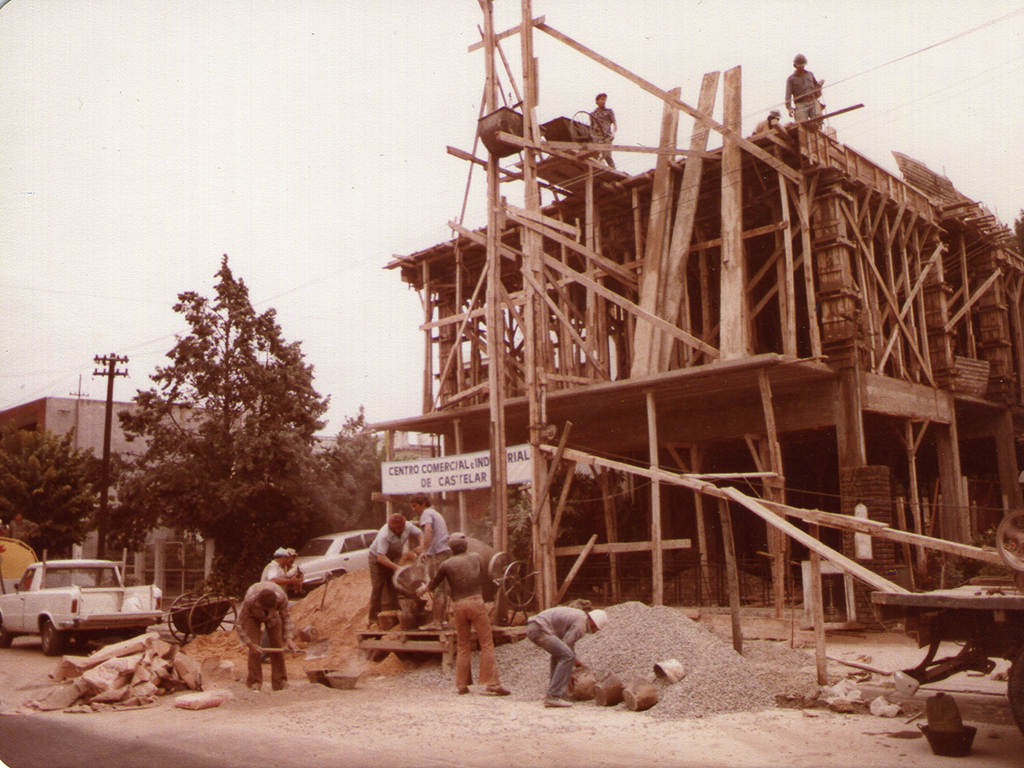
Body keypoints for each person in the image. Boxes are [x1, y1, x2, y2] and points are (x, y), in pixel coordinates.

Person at [416, 532, 510, 696]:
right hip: (475, 602)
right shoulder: (476, 557)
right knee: (486, 643)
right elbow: (480, 573)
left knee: (462, 645)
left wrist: (423, 589)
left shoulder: (446, 564)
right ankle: (492, 684)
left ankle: (461, 685)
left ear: (450, 549)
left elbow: (434, 584)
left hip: (458, 606)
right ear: (465, 546)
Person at [526, 605, 609, 707]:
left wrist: (576, 664)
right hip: (539, 629)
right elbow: (567, 645)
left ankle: (555, 692)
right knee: (567, 656)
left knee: (560, 654)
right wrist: (568, 672)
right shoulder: (581, 625)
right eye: (596, 629)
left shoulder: (580, 617)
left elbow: (566, 646)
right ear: (594, 623)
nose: (595, 632)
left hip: (534, 627)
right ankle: (553, 696)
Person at [236, 581, 297, 692]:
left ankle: (280, 681)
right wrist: (250, 644)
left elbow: (286, 618)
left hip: (273, 617)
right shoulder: (250, 600)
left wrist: (289, 639)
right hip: (252, 615)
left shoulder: (281, 598)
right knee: (254, 649)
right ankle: (255, 682)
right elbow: (239, 624)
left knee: (277, 645)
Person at [367, 513, 422, 627]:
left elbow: (420, 533)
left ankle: (396, 611)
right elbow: (381, 557)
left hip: (392, 556)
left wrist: (422, 546)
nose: (399, 530)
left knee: (394, 584)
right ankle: (373, 617)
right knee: (378, 586)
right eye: (396, 528)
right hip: (378, 559)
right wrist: (397, 568)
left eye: (401, 527)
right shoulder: (384, 535)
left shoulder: (407, 525)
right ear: (391, 527)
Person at [410, 494, 451, 628]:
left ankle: (435, 622)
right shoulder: (434, 512)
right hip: (445, 552)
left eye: (415, 506)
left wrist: (424, 551)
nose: (414, 509)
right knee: (443, 588)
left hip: (437, 554)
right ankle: (443, 620)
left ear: (423, 504)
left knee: (438, 588)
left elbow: (428, 531)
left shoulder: (426, 514)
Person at [785, 54, 824, 124]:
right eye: (799, 66)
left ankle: (819, 130)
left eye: (802, 66)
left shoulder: (810, 74)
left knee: (819, 118)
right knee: (801, 123)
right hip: (800, 104)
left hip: (813, 101)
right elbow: (788, 95)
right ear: (795, 66)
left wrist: (820, 85)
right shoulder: (791, 79)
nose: (801, 68)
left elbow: (816, 85)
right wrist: (789, 108)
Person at [589, 92, 617, 168]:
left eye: (605, 100)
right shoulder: (592, 114)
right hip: (597, 138)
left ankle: (614, 172)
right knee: (594, 156)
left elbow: (615, 124)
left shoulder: (609, 111)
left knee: (607, 156)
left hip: (607, 137)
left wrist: (613, 134)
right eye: (602, 99)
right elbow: (591, 128)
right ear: (597, 101)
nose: (604, 101)